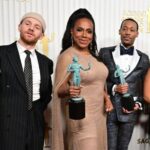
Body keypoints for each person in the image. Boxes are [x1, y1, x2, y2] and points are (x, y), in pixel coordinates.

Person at [52, 8, 113, 150]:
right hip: (80, 118)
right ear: (71, 32)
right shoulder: (67, 56)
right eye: (80, 30)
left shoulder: (95, 57)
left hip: (100, 115)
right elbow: (58, 91)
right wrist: (69, 89)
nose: (84, 35)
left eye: (89, 31)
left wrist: (106, 98)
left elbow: (97, 83)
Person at [0, 12, 53, 150]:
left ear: (41, 35)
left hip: (36, 121)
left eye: (37, 27)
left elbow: (47, 94)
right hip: (7, 122)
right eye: (27, 23)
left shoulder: (46, 62)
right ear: (19, 27)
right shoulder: (2, 54)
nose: (31, 28)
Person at [99, 18, 150, 150]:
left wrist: (137, 104)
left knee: (123, 148)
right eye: (125, 29)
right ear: (119, 31)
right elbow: (97, 81)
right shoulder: (104, 53)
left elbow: (144, 88)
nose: (128, 32)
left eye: (132, 30)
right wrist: (115, 88)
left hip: (130, 112)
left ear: (137, 34)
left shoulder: (144, 59)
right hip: (108, 111)